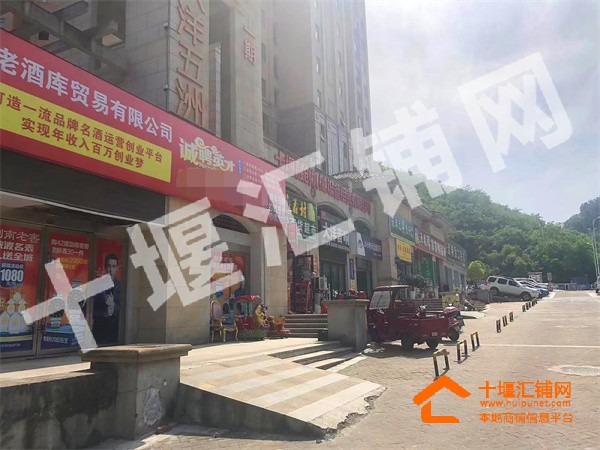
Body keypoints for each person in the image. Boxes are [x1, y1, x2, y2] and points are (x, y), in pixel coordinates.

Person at [93, 253, 121, 345]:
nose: (111, 270)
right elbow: (90, 310)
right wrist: (103, 314)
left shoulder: (122, 287)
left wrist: (113, 306)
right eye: (109, 266)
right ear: (105, 267)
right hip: (99, 331)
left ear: (117, 268)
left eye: (114, 266)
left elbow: (125, 310)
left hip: (116, 333)